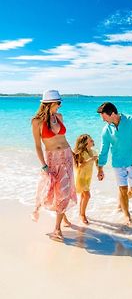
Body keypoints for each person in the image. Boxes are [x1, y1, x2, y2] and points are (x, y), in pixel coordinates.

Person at [31, 90, 77, 240]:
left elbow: (64, 138)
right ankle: (61, 219)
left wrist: (74, 155)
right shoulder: (37, 122)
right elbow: (38, 146)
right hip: (52, 159)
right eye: (58, 103)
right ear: (49, 103)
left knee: (64, 191)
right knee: (51, 191)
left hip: (67, 157)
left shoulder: (59, 117)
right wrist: (43, 165)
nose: (60, 105)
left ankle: (57, 229)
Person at [97, 102, 132, 226]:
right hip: (118, 163)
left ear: (113, 114)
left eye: (104, 117)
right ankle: (127, 216)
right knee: (123, 189)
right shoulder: (106, 130)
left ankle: (122, 201)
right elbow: (104, 150)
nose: (103, 120)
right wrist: (100, 168)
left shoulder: (131, 120)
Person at [73, 134, 98, 225]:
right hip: (81, 177)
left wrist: (100, 172)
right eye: (90, 140)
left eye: (91, 140)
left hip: (88, 177)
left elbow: (97, 163)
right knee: (87, 195)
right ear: (85, 143)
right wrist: (90, 159)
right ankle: (82, 215)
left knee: (84, 196)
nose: (92, 141)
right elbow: (79, 165)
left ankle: (80, 212)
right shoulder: (81, 153)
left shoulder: (93, 152)